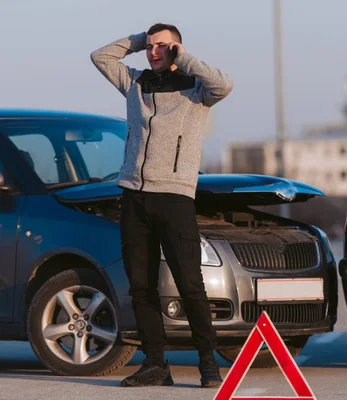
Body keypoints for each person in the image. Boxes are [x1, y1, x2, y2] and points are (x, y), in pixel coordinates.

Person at [90, 23, 233, 388]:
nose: (156, 51)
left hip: (175, 198)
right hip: (135, 196)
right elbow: (100, 56)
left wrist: (181, 56)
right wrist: (139, 41)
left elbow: (224, 84)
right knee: (140, 285)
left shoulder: (197, 90)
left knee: (190, 284)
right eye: (151, 46)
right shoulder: (135, 83)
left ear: (178, 49)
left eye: (163, 46)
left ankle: (207, 363)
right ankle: (155, 362)